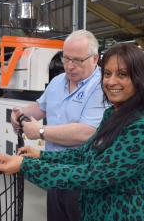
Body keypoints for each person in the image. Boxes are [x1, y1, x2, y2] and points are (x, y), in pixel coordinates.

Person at [0, 43, 144, 220]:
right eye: (107, 74)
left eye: (122, 74)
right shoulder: (112, 115)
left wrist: (24, 166)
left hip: (119, 213)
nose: (112, 81)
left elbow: (95, 175)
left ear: (139, 79)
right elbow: (85, 154)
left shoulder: (143, 127)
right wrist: (41, 156)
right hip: (93, 210)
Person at [10, 29, 106, 221]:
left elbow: (87, 132)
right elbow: (42, 107)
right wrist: (21, 114)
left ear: (95, 59)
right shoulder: (57, 81)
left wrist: (41, 131)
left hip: (82, 176)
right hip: (53, 171)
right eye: (66, 58)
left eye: (77, 60)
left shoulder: (101, 85)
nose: (70, 66)